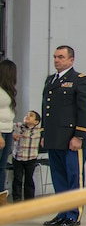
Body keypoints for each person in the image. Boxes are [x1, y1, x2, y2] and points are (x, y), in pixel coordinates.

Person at [40, 45, 86, 226]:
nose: (56, 60)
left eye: (61, 57)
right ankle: (62, 212)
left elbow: (85, 109)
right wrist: (43, 133)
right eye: (55, 57)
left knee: (73, 178)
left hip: (71, 139)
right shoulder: (50, 80)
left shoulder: (80, 80)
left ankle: (73, 214)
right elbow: (46, 109)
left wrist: (79, 135)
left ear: (71, 60)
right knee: (58, 178)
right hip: (54, 138)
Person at [11, 110, 41, 202]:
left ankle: (29, 200)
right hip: (18, 158)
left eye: (31, 115)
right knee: (17, 179)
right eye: (27, 115)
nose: (27, 116)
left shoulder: (38, 130)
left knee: (29, 179)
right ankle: (17, 199)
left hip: (31, 158)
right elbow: (7, 129)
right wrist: (12, 135)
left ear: (36, 122)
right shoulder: (18, 126)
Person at [0, 59, 17, 194]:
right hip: (1, 132)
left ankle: (1, 196)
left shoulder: (8, 90)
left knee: (2, 167)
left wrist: (11, 133)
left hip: (7, 131)